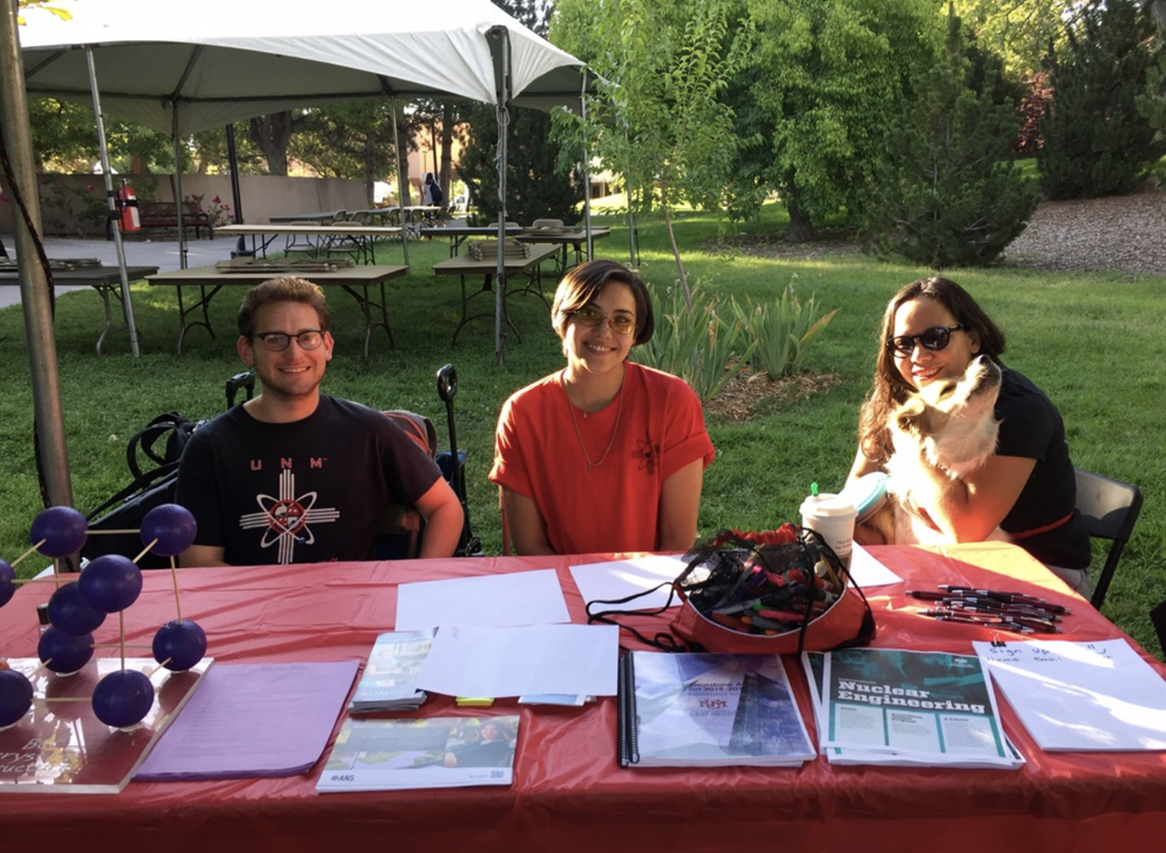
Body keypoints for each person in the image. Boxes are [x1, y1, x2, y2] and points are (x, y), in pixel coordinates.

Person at [175, 277, 463, 567]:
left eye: (307, 336)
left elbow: (445, 506)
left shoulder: (369, 432)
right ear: (246, 349)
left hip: (352, 605)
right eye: (275, 338)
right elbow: (198, 560)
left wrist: (420, 580)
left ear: (327, 345)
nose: (294, 352)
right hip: (257, 609)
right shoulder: (210, 447)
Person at [847, 276, 1091, 591]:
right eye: (904, 344)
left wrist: (914, 447)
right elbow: (858, 487)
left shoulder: (1018, 410)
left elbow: (965, 530)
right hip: (932, 555)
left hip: (1038, 570)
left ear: (973, 340)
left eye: (935, 338)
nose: (919, 356)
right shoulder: (898, 398)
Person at [489, 260, 715, 555]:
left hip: (650, 588)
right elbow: (531, 546)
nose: (604, 332)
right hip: (559, 588)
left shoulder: (673, 401)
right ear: (562, 320)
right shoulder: (522, 413)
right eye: (589, 314)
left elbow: (677, 542)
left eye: (621, 320)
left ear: (636, 333)